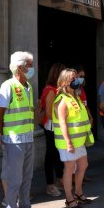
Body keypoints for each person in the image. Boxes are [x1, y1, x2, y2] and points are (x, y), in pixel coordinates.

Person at [0, 51, 44, 208]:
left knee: (27, 177)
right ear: (20, 67)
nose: (32, 68)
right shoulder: (8, 86)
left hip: (28, 138)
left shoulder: (28, 87)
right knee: (14, 179)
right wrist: (2, 134)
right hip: (13, 140)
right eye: (29, 65)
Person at [53, 68, 94, 208]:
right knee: (69, 170)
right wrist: (69, 142)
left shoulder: (75, 97)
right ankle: (69, 199)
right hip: (68, 143)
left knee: (83, 166)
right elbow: (62, 123)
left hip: (79, 141)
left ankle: (78, 192)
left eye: (76, 77)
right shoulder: (62, 99)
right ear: (64, 82)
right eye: (73, 78)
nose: (77, 80)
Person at [40, 63, 66, 197]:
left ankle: (59, 181)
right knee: (51, 155)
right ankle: (50, 185)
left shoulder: (57, 90)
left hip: (57, 127)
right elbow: (50, 113)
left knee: (57, 155)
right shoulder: (50, 90)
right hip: (52, 127)